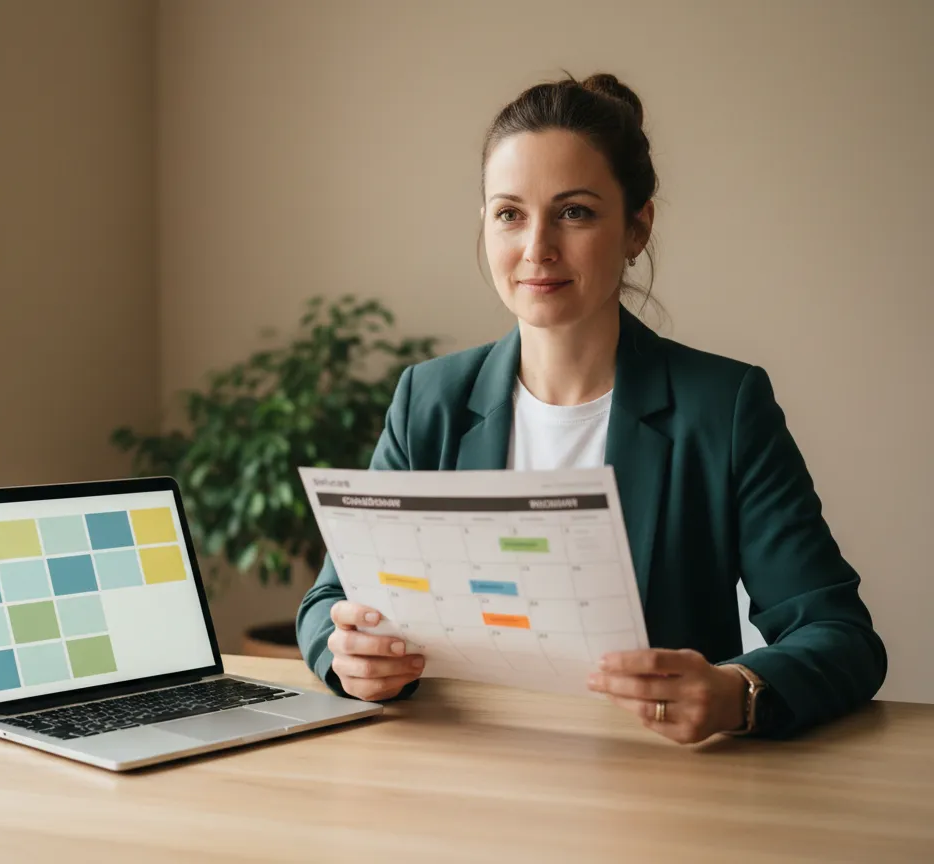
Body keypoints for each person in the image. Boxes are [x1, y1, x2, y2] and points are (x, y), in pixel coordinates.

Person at [294, 73, 887, 743]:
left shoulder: (723, 407)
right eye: (509, 213)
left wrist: (737, 692)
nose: (536, 247)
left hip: (655, 793)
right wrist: (348, 656)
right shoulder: (428, 399)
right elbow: (328, 605)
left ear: (637, 228)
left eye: (574, 211)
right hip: (460, 774)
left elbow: (839, 635)